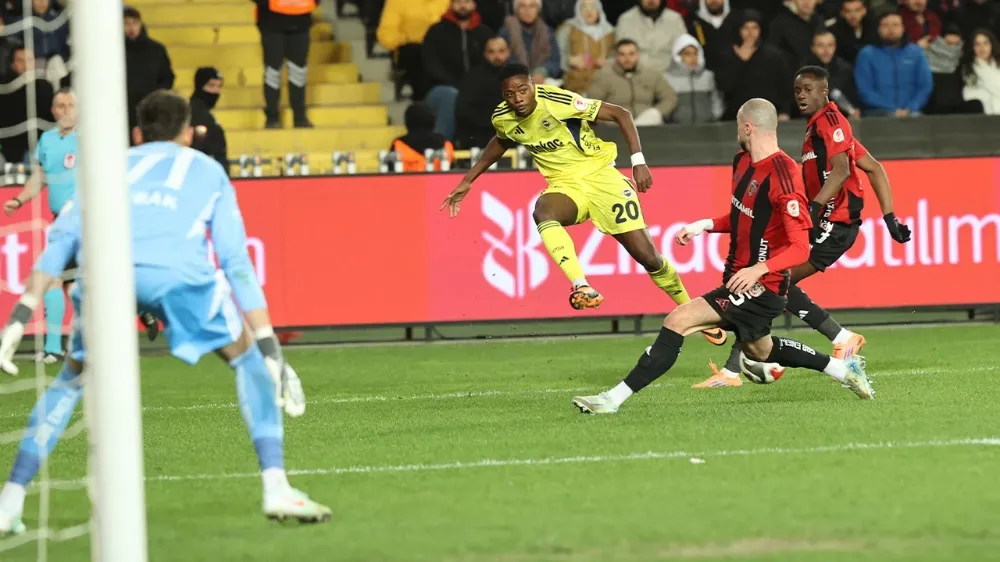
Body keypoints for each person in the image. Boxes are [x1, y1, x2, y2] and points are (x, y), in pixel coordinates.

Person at [0, 90, 325, 537]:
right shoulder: (207, 170)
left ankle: (10, 499)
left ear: (137, 134)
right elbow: (235, 261)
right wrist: (269, 344)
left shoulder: (105, 168)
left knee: (71, 379)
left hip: (107, 280)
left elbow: (60, 242)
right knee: (249, 361)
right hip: (179, 278)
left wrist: (20, 314)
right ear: (188, 134)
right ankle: (276, 486)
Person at [571, 98, 875, 415]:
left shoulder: (784, 175)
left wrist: (759, 269)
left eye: (738, 126)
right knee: (761, 350)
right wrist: (705, 225)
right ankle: (843, 370)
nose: (736, 132)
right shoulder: (742, 162)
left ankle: (612, 399)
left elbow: (800, 247)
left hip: (761, 286)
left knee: (678, 320)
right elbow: (744, 218)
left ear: (748, 127)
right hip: (738, 278)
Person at [439, 63, 728, 346]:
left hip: (602, 178)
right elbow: (502, 140)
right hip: (565, 185)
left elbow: (621, 114)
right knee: (543, 211)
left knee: (649, 258)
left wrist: (638, 161)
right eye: (510, 95)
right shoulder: (503, 117)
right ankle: (581, 285)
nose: (518, 99)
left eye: (523, 90)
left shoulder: (558, 101)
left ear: (533, 85)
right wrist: (468, 179)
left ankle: (692, 312)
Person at [694, 67, 912, 388]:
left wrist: (815, 206)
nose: (801, 95)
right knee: (769, 281)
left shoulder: (832, 122)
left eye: (808, 89)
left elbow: (841, 171)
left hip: (834, 223)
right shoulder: (818, 129)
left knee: (773, 280)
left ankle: (837, 339)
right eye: (797, 90)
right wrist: (889, 217)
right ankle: (738, 364)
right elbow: (873, 167)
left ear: (825, 91)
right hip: (825, 220)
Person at [2, 89, 160, 363]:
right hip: (61, 222)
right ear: (53, 111)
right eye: (60, 105)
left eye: (70, 105)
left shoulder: (91, 139)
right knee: (67, 282)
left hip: (88, 220)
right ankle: (59, 346)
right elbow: (40, 177)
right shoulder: (47, 140)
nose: (65, 110)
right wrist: (19, 200)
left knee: (66, 280)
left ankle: (55, 348)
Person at [854, 10, 933, 117]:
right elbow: (864, 89)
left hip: (911, 112)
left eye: (895, 25)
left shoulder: (916, 53)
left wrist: (911, 108)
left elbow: (925, 85)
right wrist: (891, 109)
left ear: (903, 28)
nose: (890, 29)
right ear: (878, 29)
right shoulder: (866, 54)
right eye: (885, 25)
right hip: (877, 112)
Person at [254, 0, 317, 128]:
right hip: (271, 22)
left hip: (301, 21)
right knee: (273, 71)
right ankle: (272, 117)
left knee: (298, 71)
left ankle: (299, 117)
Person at [586, 39, 678, 126]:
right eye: (622, 54)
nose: (627, 58)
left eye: (631, 54)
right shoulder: (604, 76)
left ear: (638, 55)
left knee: (653, 115)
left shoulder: (651, 74)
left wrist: (658, 112)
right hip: (616, 125)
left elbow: (670, 96)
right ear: (616, 57)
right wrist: (609, 121)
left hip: (647, 123)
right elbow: (593, 105)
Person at [124, 6, 174, 140]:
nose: (131, 28)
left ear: (140, 24)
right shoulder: (113, 50)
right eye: (126, 23)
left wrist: (155, 98)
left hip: (151, 111)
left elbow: (167, 78)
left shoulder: (156, 50)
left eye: (134, 23)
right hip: (122, 111)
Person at [455, 36, 511, 149]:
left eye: (501, 51)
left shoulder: (516, 76)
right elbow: (463, 111)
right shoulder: (473, 77)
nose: (497, 56)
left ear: (508, 52)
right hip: (481, 135)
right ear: (485, 54)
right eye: (491, 52)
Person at [557, 0, 615, 94]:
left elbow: (617, 56)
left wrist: (608, 63)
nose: (589, 10)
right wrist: (569, 60)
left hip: (604, 81)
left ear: (599, 11)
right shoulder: (568, 28)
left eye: (593, 7)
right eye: (584, 7)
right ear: (578, 10)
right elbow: (557, 55)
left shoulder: (610, 32)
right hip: (576, 81)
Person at [664, 33, 723, 123]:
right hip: (677, 128)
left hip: (706, 127)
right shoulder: (668, 78)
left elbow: (715, 100)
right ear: (678, 56)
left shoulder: (707, 76)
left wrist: (715, 117)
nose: (693, 58)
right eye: (687, 54)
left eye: (695, 53)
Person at [189, 67, 229, 171]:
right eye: (211, 85)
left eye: (219, 86)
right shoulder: (195, 114)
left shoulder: (205, 113)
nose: (216, 91)